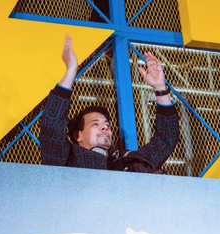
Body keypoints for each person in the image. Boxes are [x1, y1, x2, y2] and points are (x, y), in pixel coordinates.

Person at [40, 35, 180, 172]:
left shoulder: (133, 162)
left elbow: (165, 140)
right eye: (95, 124)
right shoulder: (65, 160)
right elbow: (52, 124)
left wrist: (160, 88)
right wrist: (71, 70)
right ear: (78, 136)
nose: (104, 128)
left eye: (106, 125)